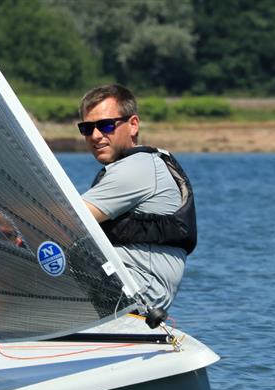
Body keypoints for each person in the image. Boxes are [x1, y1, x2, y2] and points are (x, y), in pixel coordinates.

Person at [78, 84, 197, 312]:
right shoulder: (131, 167)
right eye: (87, 128)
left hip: (135, 295)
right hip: (124, 290)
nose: (95, 135)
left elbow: (66, 218)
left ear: (133, 125)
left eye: (105, 125)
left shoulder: (137, 168)